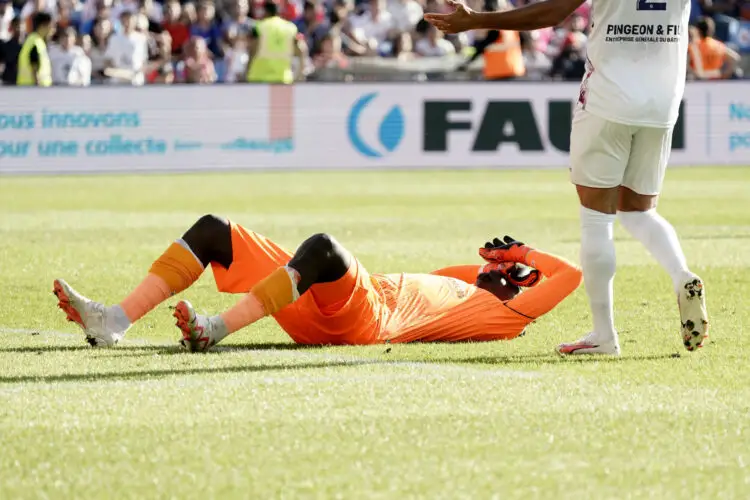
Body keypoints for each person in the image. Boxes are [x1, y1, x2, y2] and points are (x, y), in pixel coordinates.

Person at [425, 0, 709, 356]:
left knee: (596, 218)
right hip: (663, 103)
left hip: (609, 99)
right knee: (638, 211)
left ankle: (604, 335)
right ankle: (682, 274)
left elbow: (552, 13)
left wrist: (477, 21)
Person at [53, 215, 582, 350]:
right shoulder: (467, 285)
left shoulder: (505, 316)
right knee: (215, 231)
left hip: (365, 320)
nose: (494, 268)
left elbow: (571, 274)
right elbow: (479, 269)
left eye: (506, 275)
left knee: (325, 247)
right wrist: (502, 264)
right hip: (322, 302)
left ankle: (213, 329)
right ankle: (113, 320)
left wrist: (521, 257)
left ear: (518, 294)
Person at [247, 0, 306, 83]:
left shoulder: (259, 27)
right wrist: (300, 73)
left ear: (265, 12)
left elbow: (252, 49)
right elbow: (302, 49)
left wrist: (247, 69)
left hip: (259, 76)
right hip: (283, 78)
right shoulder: (291, 28)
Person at [17, 11, 54, 86]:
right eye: (51, 26)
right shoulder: (35, 42)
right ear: (43, 26)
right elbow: (34, 66)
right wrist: (37, 88)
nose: (53, 29)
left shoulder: (36, 40)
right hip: (32, 88)